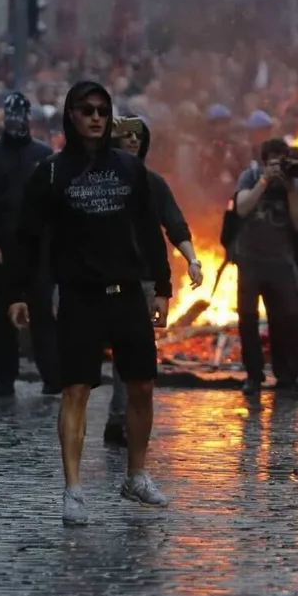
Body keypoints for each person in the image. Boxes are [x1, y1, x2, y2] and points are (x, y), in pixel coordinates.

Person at [9, 82, 172, 526]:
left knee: (142, 386)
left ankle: (136, 475)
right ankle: (74, 489)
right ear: (71, 116)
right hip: (79, 297)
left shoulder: (129, 169)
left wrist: (162, 287)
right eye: (87, 111)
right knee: (76, 390)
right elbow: (25, 237)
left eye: (102, 110)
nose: (96, 118)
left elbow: (149, 227)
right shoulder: (50, 173)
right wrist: (19, 293)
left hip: (127, 294)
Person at [104, 115, 206, 446]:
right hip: (102, 276)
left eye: (139, 135)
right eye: (127, 135)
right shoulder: (99, 181)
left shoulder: (153, 183)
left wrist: (192, 260)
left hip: (144, 280)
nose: (133, 140)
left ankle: (123, 419)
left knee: (134, 352)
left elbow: (175, 225)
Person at [0, 92, 58, 397]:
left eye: (21, 116)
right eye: (11, 116)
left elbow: (53, 206)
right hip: (3, 248)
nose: (16, 122)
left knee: (43, 314)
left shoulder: (44, 156)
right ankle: (4, 378)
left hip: (38, 250)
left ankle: (52, 375)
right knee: (1, 314)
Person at [233, 137, 298, 399]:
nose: (279, 165)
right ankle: (253, 375)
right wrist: (264, 181)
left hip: (281, 260)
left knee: (291, 318)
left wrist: (291, 188)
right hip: (250, 259)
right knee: (248, 319)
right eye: (274, 160)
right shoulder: (251, 175)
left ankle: (295, 373)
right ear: (265, 160)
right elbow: (241, 208)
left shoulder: (294, 183)